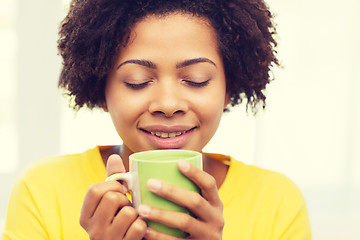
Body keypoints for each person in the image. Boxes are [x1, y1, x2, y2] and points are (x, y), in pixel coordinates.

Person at [2, 0, 311, 239]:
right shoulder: (43, 190)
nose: (167, 104)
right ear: (100, 88)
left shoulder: (276, 202)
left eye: (196, 79)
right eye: (136, 81)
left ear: (228, 89)